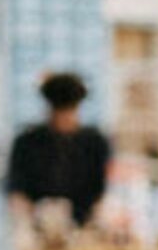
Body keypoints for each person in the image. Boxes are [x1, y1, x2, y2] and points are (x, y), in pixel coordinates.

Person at [6, 72, 112, 234]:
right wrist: (28, 225)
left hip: (83, 229)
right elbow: (17, 192)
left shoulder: (95, 142)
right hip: (38, 228)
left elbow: (101, 192)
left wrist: (91, 226)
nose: (64, 119)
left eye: (69, 111)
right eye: (60, 112)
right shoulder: (27, 142)